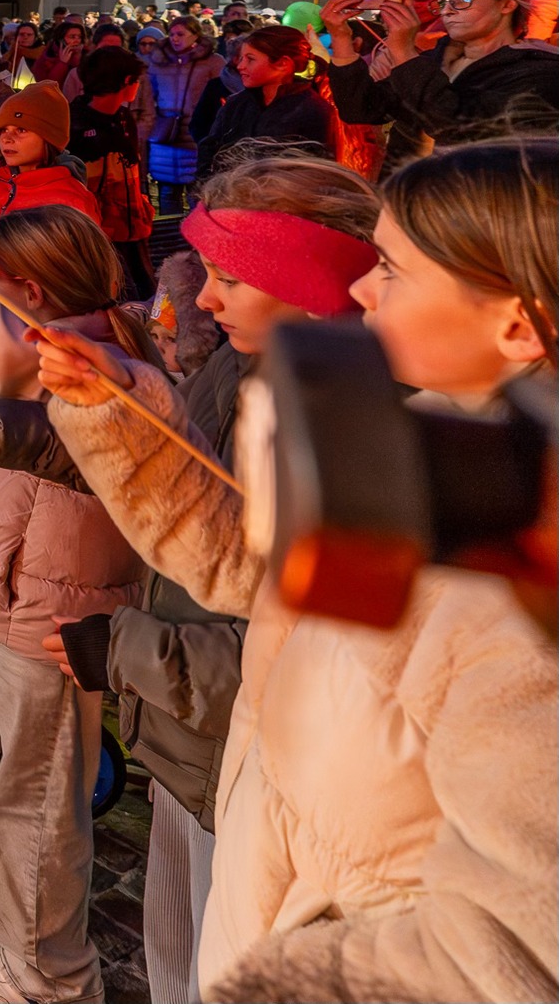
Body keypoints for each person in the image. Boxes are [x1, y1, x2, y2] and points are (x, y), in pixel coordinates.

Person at [36, 138, 558, 1002]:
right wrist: (116, 413)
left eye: (391, 268)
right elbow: (264, 569)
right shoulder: (432, 451)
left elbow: (506, 949)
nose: (361, 288)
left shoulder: (513, 547)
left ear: (516, 320)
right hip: (261, 861)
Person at [45, 155, 379, 1003]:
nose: (203, 299)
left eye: (231, 277)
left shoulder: (357, 430)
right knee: (177, 942)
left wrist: (126, 650)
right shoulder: (239, 366)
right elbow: (215, 532)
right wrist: (112, 405)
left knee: (223, 963)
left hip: (262, 756)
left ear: (309, 284)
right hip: (197, 744)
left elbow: (304, 641)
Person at [0, 204, 159, 1004]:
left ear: (34, 290)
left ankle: (49, 970)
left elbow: (7, 364)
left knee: (38, 794)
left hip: (51, 599)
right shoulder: (16, 336)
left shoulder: (86, 352)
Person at [325, 0, 559, 141]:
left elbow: (457, 129)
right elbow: (361, 110)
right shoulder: (435, 60)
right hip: (411, 196)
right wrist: (342, 39)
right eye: (442, 2)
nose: (447, 11)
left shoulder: (540, 71)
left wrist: (404, 52)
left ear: (507, 4)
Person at [67, 47, 157, 297]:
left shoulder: (123, 117)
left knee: (144, 293)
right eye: (136, 81)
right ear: (127, 81)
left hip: (133, 227)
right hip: (99, 233)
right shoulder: (74, 123)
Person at [196, 25, 335, 178]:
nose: (240, 66)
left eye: (250, 59)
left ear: (283, 64)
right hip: (228, 196)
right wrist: (206, 189)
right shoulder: (237, 104)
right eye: (241, 58)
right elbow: (209, 149)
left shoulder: (313, 110)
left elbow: (316, 171)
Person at [0, 84, 101, 224]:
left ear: (49, 137)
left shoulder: (72, 202)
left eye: (21, 130)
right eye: (4, 130)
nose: (6, 139)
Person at [145, 17, 227, 201]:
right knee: (167, 191)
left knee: (197, 191)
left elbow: (221, 94)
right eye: (172, 34)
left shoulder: (212, 62)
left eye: (180, 34)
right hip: (166, 133)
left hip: (198, 133)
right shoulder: (158, 61)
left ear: (195, 35)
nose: (175, 38)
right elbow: (149, 95)